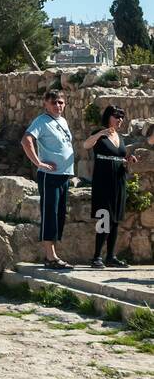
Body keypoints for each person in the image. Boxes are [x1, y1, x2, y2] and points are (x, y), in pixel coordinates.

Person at [22, 89, 76, 270]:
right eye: (54, 102)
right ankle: (50, 256)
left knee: (60, 215)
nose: (58, 105)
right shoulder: (41, 121)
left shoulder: (63, 121)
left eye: (60, 102)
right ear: (45, 104)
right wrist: (38, 162)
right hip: (49, 176)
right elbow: (26, 140)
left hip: (64, 174)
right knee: (50, 214)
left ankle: (54, 254)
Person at [83, 105, 138, 268]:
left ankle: (111, 257)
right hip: (103, 180)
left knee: (115, 219)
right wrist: (100, 133)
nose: (120, 119)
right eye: (116, 116)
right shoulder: (99, 134)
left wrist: (129, 159)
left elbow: (119, 157)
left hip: (119, 180)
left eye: (122, 116)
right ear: (108, 117)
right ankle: (96, 257)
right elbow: (86, 145)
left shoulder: (120, 138)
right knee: (104, 217)